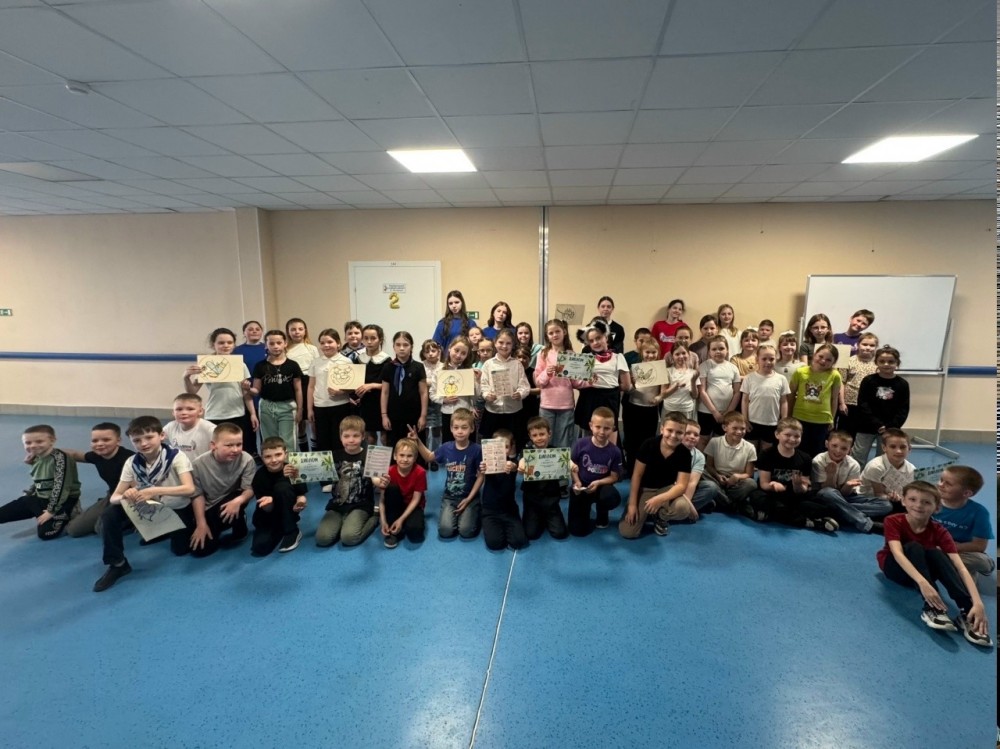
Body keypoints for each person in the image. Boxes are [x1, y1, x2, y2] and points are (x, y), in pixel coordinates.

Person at [877, 481, 992, 648]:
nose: (918, 505)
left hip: (923, 571)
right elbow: (897, 554)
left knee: (936, 553)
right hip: (896, 568)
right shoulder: (893, 520)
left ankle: (967, 610)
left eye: (926, 502)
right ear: (903, 501)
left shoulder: (940, 531)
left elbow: (960, 567)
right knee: (914, 547)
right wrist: (923, 583)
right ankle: (932, 608)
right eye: (913, 499)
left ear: (936, 508)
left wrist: (977, 602)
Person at [93, 416, 196, 592]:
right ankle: (118, 564)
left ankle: (165, 531)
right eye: (137, 440)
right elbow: (114, 498)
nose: (144, 443)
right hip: (149, 507)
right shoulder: (132, 462)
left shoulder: (176, 456)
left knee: (181, 550)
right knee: (109, 514)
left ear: (162, 435)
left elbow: (189, 489)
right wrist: (126, 495)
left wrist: (153, 490)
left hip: (176, 507)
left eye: (149, 437)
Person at [743, 418, 839, 532]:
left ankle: (769, 515)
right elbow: (764, 484)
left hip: (792, 497)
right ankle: (809, 522)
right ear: (777, 434)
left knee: (823, 506)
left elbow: (803, 489)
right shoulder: (767, 454)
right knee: (758, 498)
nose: (792, 439)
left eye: (797, 436)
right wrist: (773, 486)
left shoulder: (805, 458)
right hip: (771, 494)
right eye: (787, 435)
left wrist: (798, 486)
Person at [409, 408, 483, 540]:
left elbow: (481, 476)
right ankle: (462, 514)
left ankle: (474, 510)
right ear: (451, 429)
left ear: (472, 429)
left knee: (466, 531)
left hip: (470, 497)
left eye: (464, 427)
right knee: (445, 531)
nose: (460, 431)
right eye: (456, 427)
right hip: (450, 497)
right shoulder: (446, 447)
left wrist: (469, 499)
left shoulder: (477, 450)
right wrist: (417, 440)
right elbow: (429, 457)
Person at [619, 412, 693, 539]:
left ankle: (660, 516)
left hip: (667, 489)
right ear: (662, 429)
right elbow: (637, 476)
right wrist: (632, 504)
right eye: (670, 430)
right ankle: (647, 511)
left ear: (684, 434)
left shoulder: (685, 453)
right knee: (628, 532)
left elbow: (681, 485)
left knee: (683, 508)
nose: (673, 435)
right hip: (645, 489)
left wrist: (660, 499)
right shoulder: (648, 445)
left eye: (679, 432)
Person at [183, 327, 256, 456]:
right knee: (217, 450)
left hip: (237, 413)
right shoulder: (206, 364)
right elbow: (192, 392)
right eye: (221, 343)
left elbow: (246, 394)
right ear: (213, 345)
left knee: (239, 450)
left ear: (234, 345)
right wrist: (186, 377)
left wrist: (253, 413)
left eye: (229, 342)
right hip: (214, 414)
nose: (226, 345)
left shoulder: (240, 364)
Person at [0, 424, 80, 540]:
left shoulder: (60, 459)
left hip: (64, 499)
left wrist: (51, 511)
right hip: (41, 498)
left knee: (46, 534)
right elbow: (39, 479)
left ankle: (69, 512)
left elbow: (61, 486)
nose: (33, 445)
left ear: (52, 440)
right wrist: (30, 493)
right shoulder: (36, 457)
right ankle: (38, 510)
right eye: (28, 443)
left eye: (39, 441)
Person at [189, 422, 257, 557]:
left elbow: (249, 489)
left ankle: (238, 518)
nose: (235, 449)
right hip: (210, 505)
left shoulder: (247, 459)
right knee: (199, 550)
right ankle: (222, 522)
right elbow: (197, 495)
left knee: (235, 501)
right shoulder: (198, 465)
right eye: (229, 445)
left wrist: (238, 501)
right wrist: (201, 523)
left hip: (234, 498)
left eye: (239, 444)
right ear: (213, 445)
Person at [315, 416, 379, 548]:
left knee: (349, 538)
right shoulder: (333, 456)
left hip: (361, 505)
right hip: (338, 505)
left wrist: (380, 481)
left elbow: (376, 480)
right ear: (341, 437)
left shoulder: (370, 455)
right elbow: (315, 474)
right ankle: (345, 520)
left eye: (356, 436)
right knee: (322, 539)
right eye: (346, 436)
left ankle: (374, 518)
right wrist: (296, 472)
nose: (351, 440)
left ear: (363, 436)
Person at [64, 422, 135, 538]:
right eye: (95, 441)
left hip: (131, 499)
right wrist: (45, 451)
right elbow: (75, 454)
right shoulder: (96, 456)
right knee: (73, 529)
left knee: (101, 529)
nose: (100, 444)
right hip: (112, 496)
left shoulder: (129, 459)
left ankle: (132, 522)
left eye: (106, 440)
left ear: (118, 441)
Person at [812, 430, 891, 533]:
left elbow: (845, 494)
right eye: (834, 446)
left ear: (850, 450)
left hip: (845, 498)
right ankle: (866, 523)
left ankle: (841, 513)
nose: (838, 451)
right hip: (825, 497)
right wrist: (830, 475)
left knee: (886, 505)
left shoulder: (853, 464)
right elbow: (825, 490)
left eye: (844, 448)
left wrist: (848, 486)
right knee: (828, 493)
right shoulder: (819, 460)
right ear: (827, 444)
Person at [574, 319, 630, 445]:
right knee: (588, 436)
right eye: (591, 341)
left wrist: (610, 387)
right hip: (588, 399)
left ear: (606, 337)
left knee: (609, 433)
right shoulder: (585, 359)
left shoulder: (618, 357)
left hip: (609, 400)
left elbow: (626, 385)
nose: (595, 342)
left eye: (598, 338)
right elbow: (577, 383)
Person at [250, 436, 308, 556]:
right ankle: (280, 528)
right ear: (262, 457)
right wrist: (269, 503)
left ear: (285, 454)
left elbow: (301, 495)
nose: (274, 460)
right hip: (268, 517)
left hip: (288, 513)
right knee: (260, 547)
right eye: (268, 456)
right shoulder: (259, 477)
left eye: (278, 455)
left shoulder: (293, 470)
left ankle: (291, 530)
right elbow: (267, 509)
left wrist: (300, 503)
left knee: (282, 487)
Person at [851, 345, 909, 464]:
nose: (886, 364)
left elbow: (903, 409)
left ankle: (880, 476)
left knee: (884, 458)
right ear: (876, 362)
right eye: (882, 361)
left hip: (890, 429)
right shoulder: (868, 381)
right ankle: (856, 476)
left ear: (897, 363)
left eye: (891, 361)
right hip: (866, 426)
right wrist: (877, 424)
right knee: (858, 456)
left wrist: (890, 426)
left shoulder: (902, 384)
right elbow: (863, 404)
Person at [934, 466, 995, 578]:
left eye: (948, 484)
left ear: (966, 493)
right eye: (941, 480)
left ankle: (944, 564)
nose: (940, 485)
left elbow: (979, 545)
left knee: (981, 561)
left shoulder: (979, 512)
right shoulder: (930, 503)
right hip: (935, 549)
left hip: (962, 552)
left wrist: (952, 547)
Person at [569, 408, 622, 536]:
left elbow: (614, 477)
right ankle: (584, 509)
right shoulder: (580, 444)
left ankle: (602, 511)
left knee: (611, 497)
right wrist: (577, 482)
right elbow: (572, 466)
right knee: (577, 531)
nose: (602, 432)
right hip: (582, 486)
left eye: (607, 428)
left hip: (601, 487)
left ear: (613, 429)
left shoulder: (615, 451)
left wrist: (598, 482)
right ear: (591, 426)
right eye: (598, 427)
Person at [534, 319, 587, 449]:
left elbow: (576, 383)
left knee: (564, 442)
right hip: (547, 405)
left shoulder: (571, 354)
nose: (555, 335)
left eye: (557, 331)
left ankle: (563, 463)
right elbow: (538, 382)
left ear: (564, 332)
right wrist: (547, 373)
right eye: (551, 333)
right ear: (547, 336)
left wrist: (590, 381)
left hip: (566, 405)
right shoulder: (543, 354)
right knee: (544, 441)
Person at [249, 329, 303, 452]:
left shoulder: (293, 365)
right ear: (266, 345)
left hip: (287, 406)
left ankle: (288, 463)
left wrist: (300, 410)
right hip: (266, 407)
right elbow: (256, 390)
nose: (276, 346)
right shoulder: (260, 366)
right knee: (269, 441)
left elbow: (298, 389)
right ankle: (271, 463)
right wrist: (248, 389)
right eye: (272, 343)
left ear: (285, 343)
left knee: (288, 441)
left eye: (279, 343)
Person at [308, 329, 353, 469]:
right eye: (322, 343)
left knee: (339, 439)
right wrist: (309, 409)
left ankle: (341, 470)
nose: (326, 345)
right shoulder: (315, 362)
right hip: (320, 406)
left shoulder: (346, 361)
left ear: (338, 343)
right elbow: (311, 386)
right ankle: (326, 473)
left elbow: (353, 386)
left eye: (330, 342)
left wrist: (341, 391)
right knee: (323, 440)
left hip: (341, 405)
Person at [788, 344, 843, 457]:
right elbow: (791, 394)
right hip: (800, 417)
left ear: (833, 362)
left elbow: (834, 399)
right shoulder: (800, 372)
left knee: (816, 452)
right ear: (814, 355)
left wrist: (832, 419)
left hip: (822, 420)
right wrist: (789, 415)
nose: (823, 361)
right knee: (798, 450)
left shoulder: (835, 375)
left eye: (828, 360)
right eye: (821, 356)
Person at [518, 417, 568, 540]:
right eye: (535, 435)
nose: (539, 438)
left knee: (560, 533)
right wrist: (521, 466)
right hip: (532, 499)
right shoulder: (526, 452)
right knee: (531, 534)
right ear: (530, 436)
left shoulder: (556, 452)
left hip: (551, 498)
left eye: (542, 434)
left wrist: (572, 466)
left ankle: (548, 516)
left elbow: (566, 462)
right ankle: (536, 516)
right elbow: (522, 462)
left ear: (549, 434)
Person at [479, 328, 530, 447]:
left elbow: (524, 386)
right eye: (501, 342)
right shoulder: (488, 364)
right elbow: (483, 385)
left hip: (514, 411)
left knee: (514, 444)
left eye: (508, 343)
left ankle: (513, 460)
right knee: (491, 445)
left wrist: (520, 393)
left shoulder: (517, 364)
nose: (504, 346)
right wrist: (486, 395)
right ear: (495, 342)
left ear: (513, 345)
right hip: (493, 410)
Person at [479, 429, 527, 551]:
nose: (501, 450)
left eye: (505, 447)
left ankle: (506, 527)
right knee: (495, 544)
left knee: (519, 542)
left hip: (509, 510)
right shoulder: (487, 463)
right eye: (498, 446)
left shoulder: (512, 463)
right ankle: (488, 523)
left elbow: (515, 467)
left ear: (510, 448)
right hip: (490, 510)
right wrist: (482, 469)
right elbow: (481, 469)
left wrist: (513, 466)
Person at [380, 331, 428, 454]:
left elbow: (423, 392)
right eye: (398, 344)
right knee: (394, 446)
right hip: (393, 415)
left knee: (415, 445)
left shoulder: (418, 367)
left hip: (414, 414)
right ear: (393, 347)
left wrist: (423, 416)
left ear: (411, 347)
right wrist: (384, 415)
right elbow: (385, 392)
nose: (401, 348)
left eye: (405, 345)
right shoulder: (388, 367)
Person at [623, 339, 664, 476]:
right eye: (647, 352)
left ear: (658, 353)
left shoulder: (660, 369)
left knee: (648, 440)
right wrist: (633, 384)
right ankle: (631, 469)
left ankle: (645, 470)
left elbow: (662, 391)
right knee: (632, 440)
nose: (650, 355)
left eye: (653, 352)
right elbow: (628, 390)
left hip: (650, 409)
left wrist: (659, 398)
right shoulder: (635, 368)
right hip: (634, 408)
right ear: (642, 352)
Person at [740, 343, 789, 453]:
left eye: (771, 359)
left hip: (771, 422)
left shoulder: (781, 379)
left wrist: (783, 420)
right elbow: (745, 400)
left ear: (776, 359)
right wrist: (745, 419)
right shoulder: (749, 378)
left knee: (767, 451)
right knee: (751, 450)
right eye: (764, 359)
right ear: (757, 359)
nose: (768, 362)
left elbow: (784, 401)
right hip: (752, 421)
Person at [703, 412, 757, 511]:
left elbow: (749, 473)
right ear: (725, 428)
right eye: (735, 428)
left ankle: (720, 500)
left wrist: (737, 477)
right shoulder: (714, 442)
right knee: (702, 473)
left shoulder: (750, 447)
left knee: (751, 484)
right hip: (717, 478)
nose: (739, 432)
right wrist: (718, 476)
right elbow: (709, 466)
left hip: (737, 483)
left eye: (742, 429)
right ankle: (731, 504)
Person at [378, 438, 427, 549]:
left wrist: (401, 520)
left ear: (415, 458)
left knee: (416, 535)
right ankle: (393, 529)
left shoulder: (420, 472)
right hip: (395, 505)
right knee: (392, 488)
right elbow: (382, 500)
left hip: (413, 506)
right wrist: (383, 521)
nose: (405, 459)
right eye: (401, 455)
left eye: (409, 456)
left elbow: (416, 499)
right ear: (395, 456)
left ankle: (402, 523)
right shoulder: (388, 472)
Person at [696, 335, 741, 449]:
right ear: (709, 352)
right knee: (703, 439)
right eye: (714, 349)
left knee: (719, 440)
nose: (718, 351)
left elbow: (737, 392)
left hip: (726, 412)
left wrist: (729, 412)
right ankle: (702, 460)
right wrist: (714, 412)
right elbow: (702, 391)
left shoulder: (733, 368)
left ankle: (715, 460)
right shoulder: (704, 366)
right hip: (706, 411)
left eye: (721, 348)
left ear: (727, 350)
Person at [431, 336, 477, 442]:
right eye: (456, 350)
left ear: (467, 355)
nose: (458, 355)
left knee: (468, 444)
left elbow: (475, 397)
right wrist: (443, 400)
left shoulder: (469, 371)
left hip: (466, 413)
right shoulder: (439, 370)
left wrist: (477, 381)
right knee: (448, 443)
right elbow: (432, 394)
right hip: (447, 414)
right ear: (450, 348)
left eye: (463, 353)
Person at [285, 317, 319, 451]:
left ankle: (315, 452)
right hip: (294, 384)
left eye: (300, 329)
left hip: (310, 383)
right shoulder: (285, 349)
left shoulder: (312, 348)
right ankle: (304, 452)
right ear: (288, 332)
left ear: (305, 331)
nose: (297, 332)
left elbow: (316, 368)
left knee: (313, 420)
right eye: (293, 329)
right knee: (299, 421)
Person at [234, 320, 266, 457]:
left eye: (257, 329)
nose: (254, 331)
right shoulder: (236, 351)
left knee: (265, 429)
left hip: (264, 393)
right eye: (250, 329)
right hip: (245, 393)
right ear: (244, 332)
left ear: (261, 332)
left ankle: (266, 454)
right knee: (249, 428)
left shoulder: (267, 348)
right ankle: (252, 455)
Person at [859, 428, 915, 506]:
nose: (898, 451)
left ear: (909, 448)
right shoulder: (876, 466)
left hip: (894, 500)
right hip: (868, 499)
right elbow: (878, 494)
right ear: (884, 448)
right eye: (893, 447)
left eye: (903, 447)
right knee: (887, 506)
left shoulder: (911, 469)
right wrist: (890, 497)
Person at [354, 324, 389, 445]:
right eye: (366, 338)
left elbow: (390, 385)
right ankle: (371, 458)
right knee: (370, 437)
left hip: (382, 402)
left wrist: (372, 385)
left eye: (373, 338)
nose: (369, 342)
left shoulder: (387, 360)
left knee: (385, 437)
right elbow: (354, 381)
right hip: (366, 402)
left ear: (380, 339)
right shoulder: (358, 359)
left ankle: (388, 458)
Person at [839, 332, 879, 437]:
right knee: (846, 434)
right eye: (864, 344)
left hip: (869, 406)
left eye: (872, 345)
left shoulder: (878, 364)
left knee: (863, 436)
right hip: (850, 404)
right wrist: (842, 403)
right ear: (858, 345)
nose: (868, 347)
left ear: (876, 347)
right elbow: (842, 382)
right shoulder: (848, 361)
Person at [679, 419, 722, 516]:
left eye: (696, 435)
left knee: (711, 487)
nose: (692, 437)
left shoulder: (699, 456)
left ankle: (681, 511)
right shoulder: (672, 450)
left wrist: (686, 505)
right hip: (671, 488)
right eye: (688, 433)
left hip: (686, 489)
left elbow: (692, 483)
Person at [162, 393, 216, 459]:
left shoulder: (211, 429)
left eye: (190, 409)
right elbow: (156, 438)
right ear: (173, 412)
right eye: (179, 409)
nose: (184, 413)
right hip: (179, 465)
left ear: (200, 411)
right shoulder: (170, 427)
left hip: (202, 465)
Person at [661, 343, 698, 421]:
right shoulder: (667, 371)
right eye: (677, 354)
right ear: (672, 356)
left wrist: (693, 382)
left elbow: (694, 396)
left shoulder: (693, 373)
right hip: (670, 409)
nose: (681, 356)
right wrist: (675, 386)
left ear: (689, 354)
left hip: (686, 409)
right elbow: (663, 394)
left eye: (684, 353)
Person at [419, 339, 444, 455]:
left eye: (433, 351)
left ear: (438, 351)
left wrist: (429, 382)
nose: (430, 354)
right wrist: (432, 382)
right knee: (424, 429)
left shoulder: (444, 366)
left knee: (437, 430)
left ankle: (435, 455)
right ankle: (425, 455)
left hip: (439, 402)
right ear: (423, 353)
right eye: (427, 351)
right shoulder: (420, 366)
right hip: (423, 402)